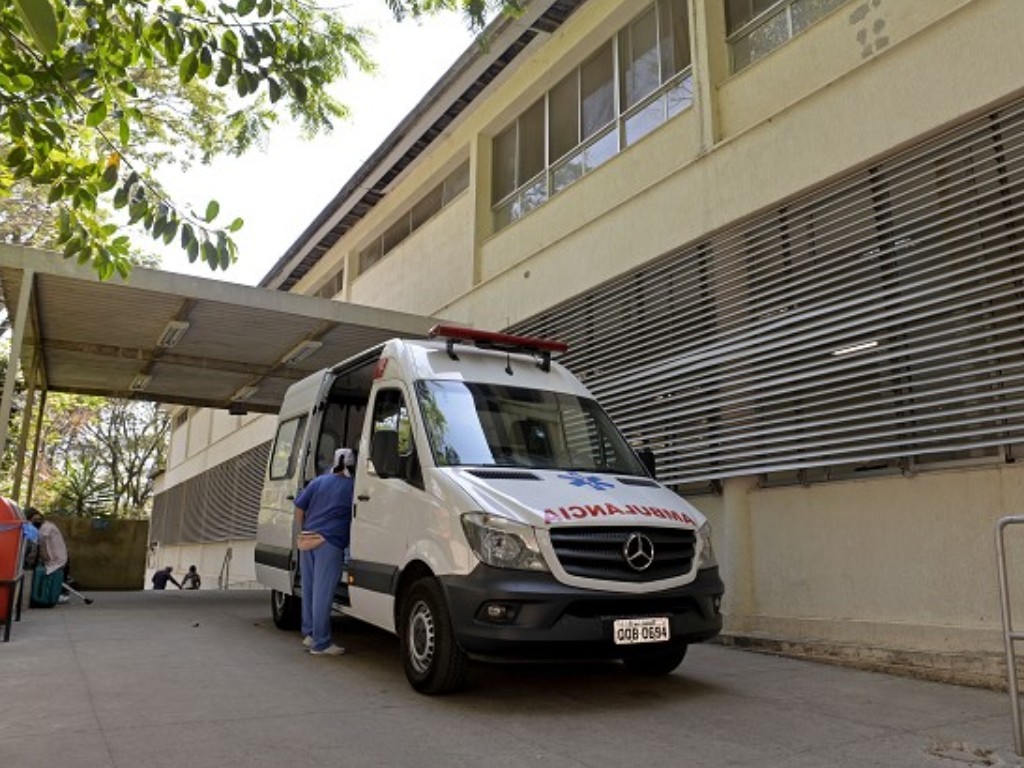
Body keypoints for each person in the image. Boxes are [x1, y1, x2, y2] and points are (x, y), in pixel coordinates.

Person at [294, 446, 354, 656]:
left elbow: (299, 507)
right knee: (323, 593)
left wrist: (303, 529)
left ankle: (310, 633)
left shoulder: (317, 482)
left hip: (307, 539)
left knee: (309, 589)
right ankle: (321, 643)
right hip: (329, 542)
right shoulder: (352, 486)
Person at [27, 508, 69, 607]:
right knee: (54, 576)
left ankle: (52, 595)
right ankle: (53, 594)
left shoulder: (46, 528)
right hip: (57, 557)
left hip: (56, 558)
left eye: (38, 519)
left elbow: (41, 544)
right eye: (34, 519)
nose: (36, 521)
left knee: (52, 577)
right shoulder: (46, 526)